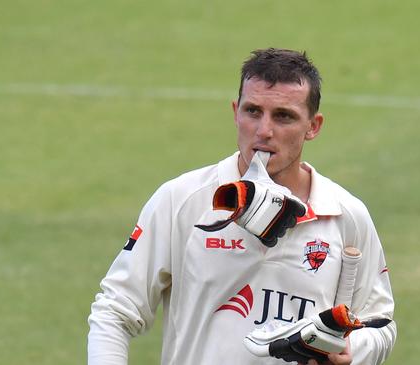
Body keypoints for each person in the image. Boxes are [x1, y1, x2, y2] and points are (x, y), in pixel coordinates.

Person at [88, 48, 397, 365]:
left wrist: (352, 352)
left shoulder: (346, 215)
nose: (264, 131)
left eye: (283, 116)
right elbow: (114, 310)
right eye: (253, 112)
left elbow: (380, 324)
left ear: (313, 126)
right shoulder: (182, 200)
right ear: (236, 112)